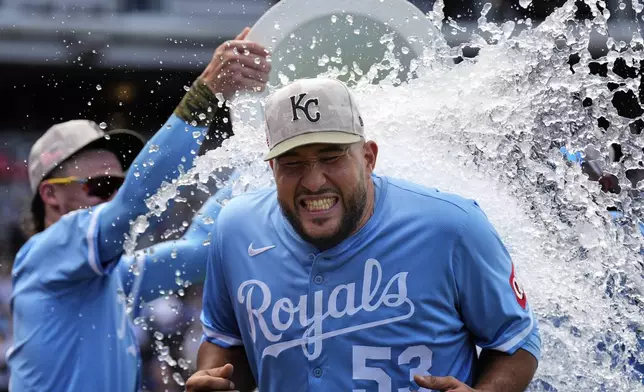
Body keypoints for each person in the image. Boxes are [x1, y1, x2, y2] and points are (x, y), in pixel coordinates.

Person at [185, 78, 542, 392]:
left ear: (368, 157)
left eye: (331, 157)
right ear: (272, 168)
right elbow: (226, 341)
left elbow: (517, 341)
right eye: (292, 163)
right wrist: (214, 379)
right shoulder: (236, 229)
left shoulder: (454, 226)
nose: (313, 181)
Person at [7, 27, 270, 392]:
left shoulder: (113, 276)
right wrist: (205, 94)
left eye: (118, 182)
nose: (113, 194)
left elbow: (199, 251)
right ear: (51, 196)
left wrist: (262, 161)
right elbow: (133, 204)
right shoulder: (44, 254)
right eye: (99, 186)